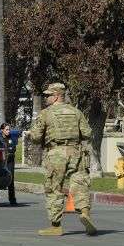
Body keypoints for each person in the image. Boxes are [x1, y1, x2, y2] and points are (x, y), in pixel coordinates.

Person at [29, 82, 96, 237]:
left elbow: (36, 136)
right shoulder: (77, 112)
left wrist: (34, 135)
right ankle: (85, 212)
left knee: (54, 188)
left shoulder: (45, 113)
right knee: (80, 183)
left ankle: (55, 226)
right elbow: (87, 134)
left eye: (48, 95)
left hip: (56, 153)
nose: (46, 98)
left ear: (57, 95)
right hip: (76, 152)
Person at [0, 123, 17, 206]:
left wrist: (9, 151)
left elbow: (13, 149)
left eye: (9, 129)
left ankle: (12, 199)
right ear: (2, 130)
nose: (8, 131)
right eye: (6, 129)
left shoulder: (11, 139)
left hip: (10, 162)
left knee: (11, 180)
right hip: (1, 162)